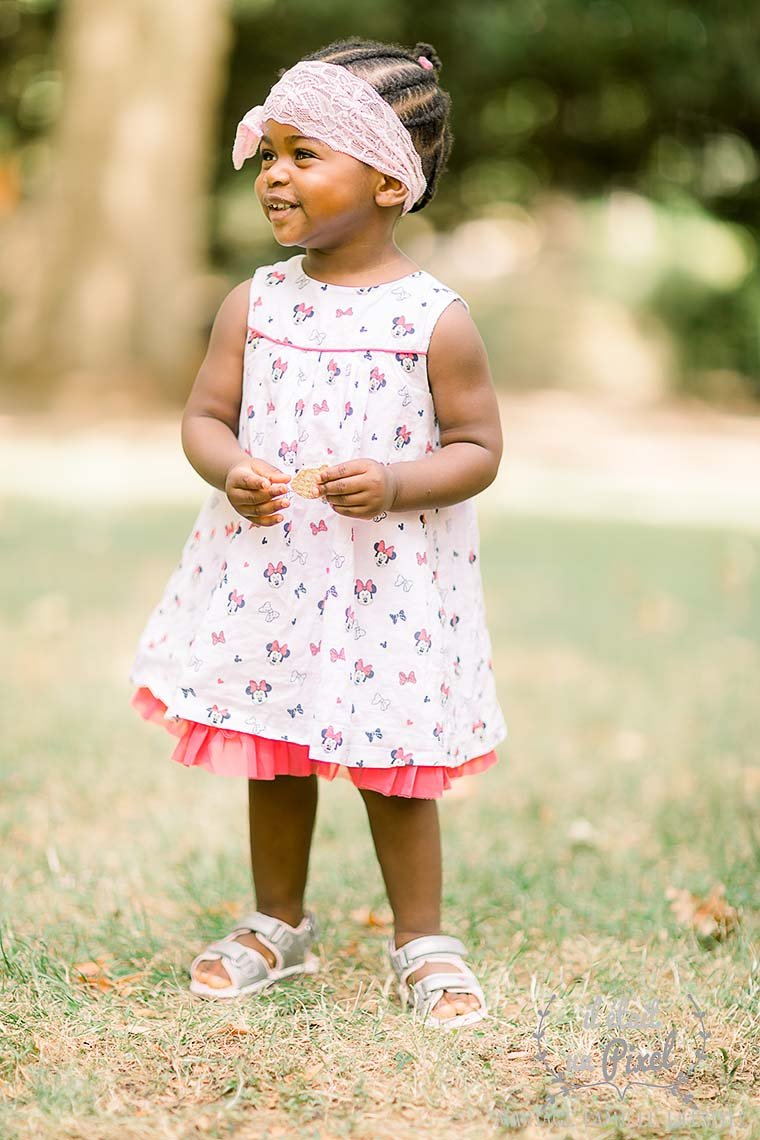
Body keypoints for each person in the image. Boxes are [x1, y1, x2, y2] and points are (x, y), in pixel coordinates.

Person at [130, 36, 508, 1031]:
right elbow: (204, 418)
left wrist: (392, 481)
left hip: (384, 584)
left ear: (390, 180)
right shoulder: (252, 305)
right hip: (276, 575)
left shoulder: (434, 319)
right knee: (276, 748)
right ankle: (275, 920)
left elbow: (477, 448)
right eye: (270, 154)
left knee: (393, 764)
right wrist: (231, 469)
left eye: (304, 155)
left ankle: (422, 938)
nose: (276, 175)